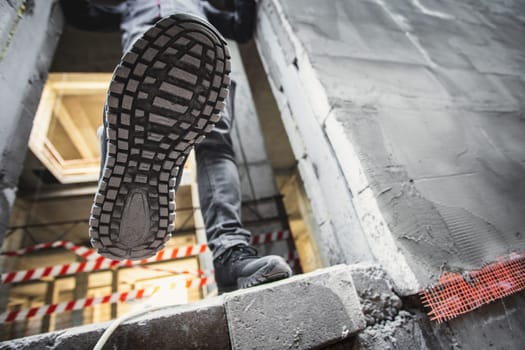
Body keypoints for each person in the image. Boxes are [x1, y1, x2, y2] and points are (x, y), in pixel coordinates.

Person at [61, 0, 292, 293]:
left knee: (217, 147)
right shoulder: (132, 4)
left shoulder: (201, 4)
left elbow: (241, 27)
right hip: (143, 72)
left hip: (207, 76)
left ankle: (231, 255)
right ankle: (121, 165)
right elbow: (81, 13)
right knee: (124, 123)